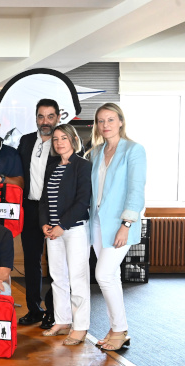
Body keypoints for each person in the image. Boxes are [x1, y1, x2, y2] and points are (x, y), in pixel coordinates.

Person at [89, 103, 146, 351]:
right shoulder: (95, 152)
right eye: (101, 121)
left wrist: (126, 223)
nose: (105, 125)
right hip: (97, 224)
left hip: (119, 224)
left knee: (103, 275)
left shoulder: (134, 150)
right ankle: (117, 329)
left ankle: (120, 330)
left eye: (110, 120)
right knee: (111, 277)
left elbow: (136, 189)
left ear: (120, 122)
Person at [39, 124, 92, 345]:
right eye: (56, 139)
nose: (59, 142)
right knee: (57, 277)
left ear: (73, 139)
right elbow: (44, 199)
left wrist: (62, 225)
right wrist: (45, 224)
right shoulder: (52, 166)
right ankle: (62, 321)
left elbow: (83, 201)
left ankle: (80, 327)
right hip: (53, 232)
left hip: (75, 229)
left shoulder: (83, 166)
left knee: (78, 278)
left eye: (64, 138)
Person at [16, 99, 60, 328]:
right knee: (32, 262)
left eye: (50, 116)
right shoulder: (25, 141)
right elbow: (18, 174)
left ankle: (54, 312)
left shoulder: (62, 142)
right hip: (30, 209)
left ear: (58, 118)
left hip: (54, 211)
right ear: (35, 118)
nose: (45, 121)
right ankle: (34, 309)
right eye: (41, 116)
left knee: (56, 264)